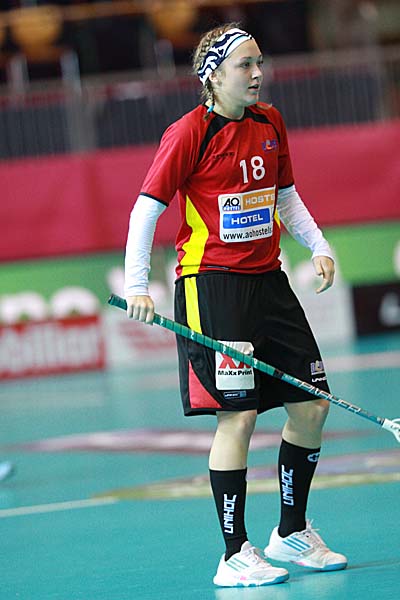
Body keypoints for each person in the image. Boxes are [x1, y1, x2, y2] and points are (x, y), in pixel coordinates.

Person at [124, 23, 347, 588]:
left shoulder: (270, 122)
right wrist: (137, 285)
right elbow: (146, 209)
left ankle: (291, 533)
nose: (257, 74)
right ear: (213, 75)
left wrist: (319, 246)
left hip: (269, 283)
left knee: (312, 405)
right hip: (211, 287)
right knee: (238, 415)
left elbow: (285, 197)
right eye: (245, 65)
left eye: (259, 63)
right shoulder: (189, 133)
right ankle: (233, 554)